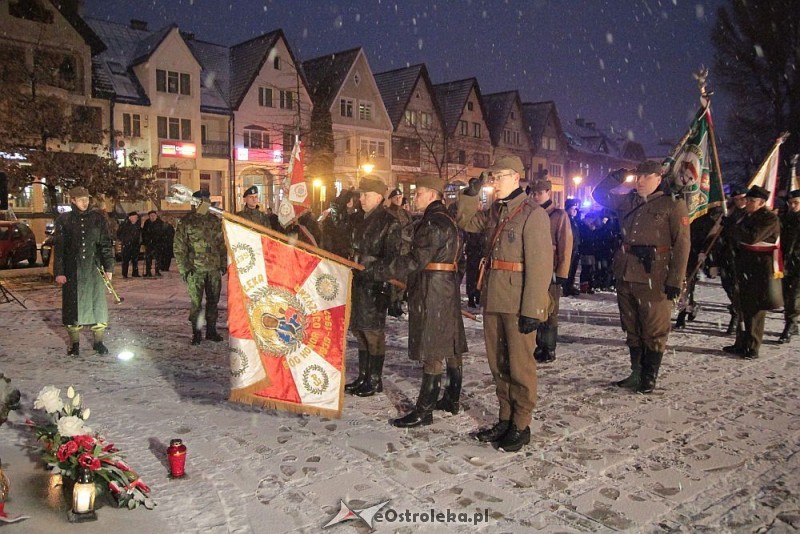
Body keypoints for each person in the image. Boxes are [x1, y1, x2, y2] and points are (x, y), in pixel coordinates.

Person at [457, 155, 553, 452]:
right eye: (492, 178)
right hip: (495, 296)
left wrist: (534, 309)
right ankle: (505, 417)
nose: (493, 183)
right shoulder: (496, 212)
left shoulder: (532, 214)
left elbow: (540, 266)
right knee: (498, 363)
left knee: (520, 366)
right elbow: (466, 220)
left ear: (515, 177)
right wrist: (470, 195)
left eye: (497, 177)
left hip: (518, 299)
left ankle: (521, 424)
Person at [371, 175, 467, 427]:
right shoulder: (450, 221)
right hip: (446, 286)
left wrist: (381, 270)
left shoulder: (433, 223)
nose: (415, 197)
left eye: (419, 193)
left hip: (431, 289)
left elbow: (414, 260)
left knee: (432, 347)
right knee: (451, 342)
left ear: (433, 195)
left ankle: (425, 410)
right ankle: (452, 397)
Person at [592, 161, 690, 394]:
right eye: (638, 177)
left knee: (654, 328)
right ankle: (636, 372)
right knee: (631, 327)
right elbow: (599, 195)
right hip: (626, 272)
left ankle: (649, 376)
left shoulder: (672, 205)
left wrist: (675, 280)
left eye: (646, 177)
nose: (640, 181)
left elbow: (683, 245)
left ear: (659, 177)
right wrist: (617, 176)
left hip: (655, 275)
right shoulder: (629, 201)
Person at [345, 175, 402, 397]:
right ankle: (363, 376)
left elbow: (392, 258)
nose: (361, 199)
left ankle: (375, 379)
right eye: (360, 195)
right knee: (359, 330)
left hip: (375, 284)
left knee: (373, 332)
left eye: (366, 195)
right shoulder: (360, 218)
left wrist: (374, 269)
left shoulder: (389, 221)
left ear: (378, 197)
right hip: (358, 281)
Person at [53, 186, 115, 355]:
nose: (85, 202)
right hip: (73, 271)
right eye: (80, 200)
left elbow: (105, 245)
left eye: (86, 199)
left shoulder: (98, 219)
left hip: (94, 270)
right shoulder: (64, 220)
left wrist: (108, 267)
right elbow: (59, 249)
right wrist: (59, 272)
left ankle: (98, 342)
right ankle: (74, 344)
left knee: (98, 306)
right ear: (72, 200)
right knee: (73, 308)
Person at [723, 185, 781, 358]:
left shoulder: (769, 219)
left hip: (760, 268)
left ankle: (753, 345)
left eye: (751, 201)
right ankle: (740, 342)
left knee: (755, 309)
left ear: (761, 203)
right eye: (747, 200)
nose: (747, 203)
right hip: (744, 266)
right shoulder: (747, 216)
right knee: (742, 306)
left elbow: (751, 237)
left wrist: (732, 227)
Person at [174, 190, 227, 345]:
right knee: (196, 303)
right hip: (195, 270)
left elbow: (221, 245)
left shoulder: (214, 221)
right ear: (195, 202)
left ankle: (211, 331)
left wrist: (223, 264)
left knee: (213, 302)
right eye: (202, 200)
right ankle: (196, 333)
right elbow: (179, 248)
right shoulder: (186, 222)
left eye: (207, 200)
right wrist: (184, 269)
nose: (205, 203)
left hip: (213, 269)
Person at [530, 179, 573, 363]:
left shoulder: (558, 215)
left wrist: (562, 273)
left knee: (550, 311)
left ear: (549, 192)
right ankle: (539, 345)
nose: (536, 196)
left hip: (551, 270)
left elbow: (565, 245)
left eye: (540, 193)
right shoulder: (531, 213)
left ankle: (549, 347)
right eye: (534, 193)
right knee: (535, 309)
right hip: (534, 269)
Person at [779, 189, 800, 343]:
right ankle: (791, 321)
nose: (793, 205)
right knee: (786, 294)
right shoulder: (786, 218)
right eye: (790, 203)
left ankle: (791, 324)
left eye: (796, 203)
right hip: (786, 262)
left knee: (794, 295)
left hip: (798, 262)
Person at [563, 198, 582, 296]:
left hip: (575, 248)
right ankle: (566, 287)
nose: (575, 211)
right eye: (573, 208)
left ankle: (570, 286)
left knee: (573, 269)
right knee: (568, 269)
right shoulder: (565, 219)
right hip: (569, 248)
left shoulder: (573, 219)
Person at [141, 210, 165, 277]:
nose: (152, 217)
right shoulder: (147, 223)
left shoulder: (160, 223)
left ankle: (157, 271)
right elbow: (144, 233)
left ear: (156, 216)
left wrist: (161, 242)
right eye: (151, 216)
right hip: (149, 244)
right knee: (148, 258)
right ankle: (148, 272)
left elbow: (163, 234)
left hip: (158, 244)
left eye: (154, 215)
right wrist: (144, 242)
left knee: (158, 259)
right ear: (149, 216)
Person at [117, 211, 141, 278]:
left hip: (135, 245)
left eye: (137, 217)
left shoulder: (137, 225)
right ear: (130, 217)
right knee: (125, 260)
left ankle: (135, 273)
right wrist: (124, 240)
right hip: (126, 245)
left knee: (135, 260)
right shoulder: (124, 225)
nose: (136, 218)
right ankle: (125, 274)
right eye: (135, 217)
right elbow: (118, 234)